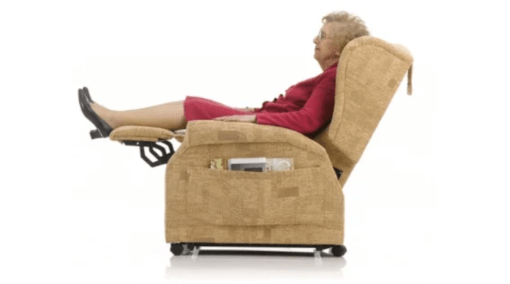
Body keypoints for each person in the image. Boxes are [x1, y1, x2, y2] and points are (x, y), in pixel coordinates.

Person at [78, 11, 369, 139]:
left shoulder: (331, 79)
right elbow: (299, 113)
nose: (315, 40)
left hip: (266, 128)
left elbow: (307, 121)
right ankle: (114, 120)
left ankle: (113, 120)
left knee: (195, 106)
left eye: (323, 36)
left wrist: (253, 118)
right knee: (197, 105)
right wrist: (251, 111)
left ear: (339, 51)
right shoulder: (329, 77)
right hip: (263, 120)